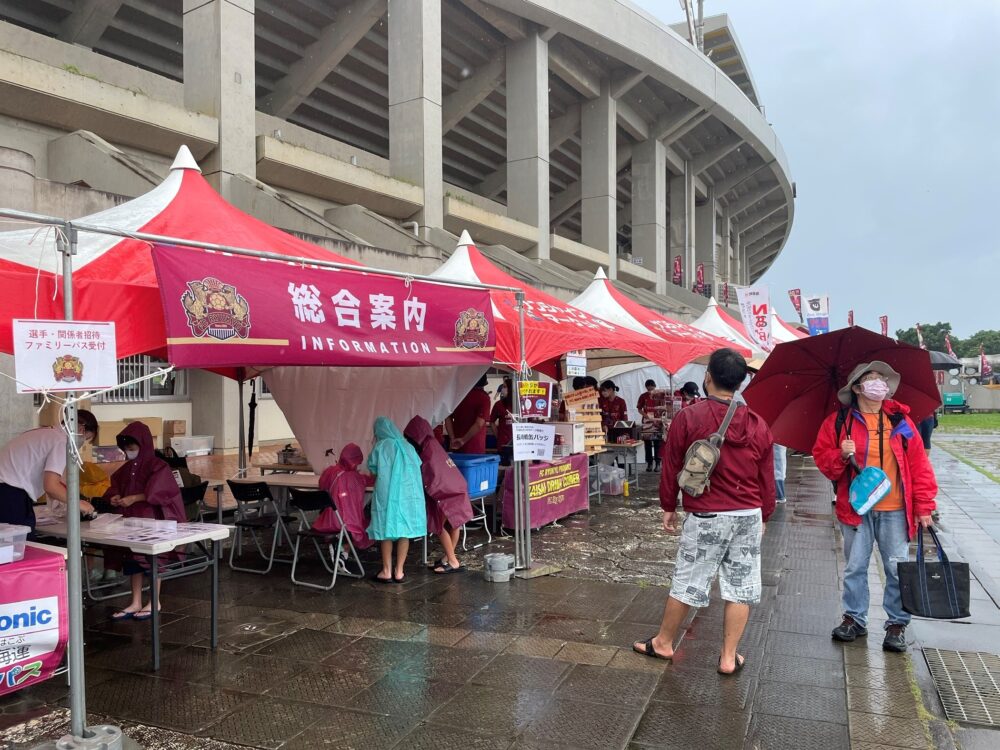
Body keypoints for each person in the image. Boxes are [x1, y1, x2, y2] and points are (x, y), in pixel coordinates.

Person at [633, 348, 775, 674]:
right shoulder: (757, 424)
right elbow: (765, 477)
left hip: (707, 514)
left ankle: (664, 642)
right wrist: (764, 514)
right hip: (748, 514)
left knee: (689, 580)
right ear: (739, 383)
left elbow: (671, 466)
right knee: (740, 586)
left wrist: (668, 505)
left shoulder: (689, 417)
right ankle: (728, 657)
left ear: (708, 376)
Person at [812, 361, 938, 653]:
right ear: (856, 388)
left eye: (882, 379)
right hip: (856, 508)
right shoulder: (838, 422)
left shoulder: (900, 422)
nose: (878, 384)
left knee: (896, 567)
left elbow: (919, 465)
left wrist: (924, 506)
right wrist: (840, 454)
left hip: (895, 509)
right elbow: (825, 465)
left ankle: (897, 623)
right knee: (855, 567)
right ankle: (854, 618)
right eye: (870, 379)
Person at [105, 422, 186, 621]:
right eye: (126, 449)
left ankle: (154, 600)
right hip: (131, 520)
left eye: (132, 448)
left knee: (152, 560)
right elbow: (114, 485)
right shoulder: (125, 469)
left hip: (152, 521)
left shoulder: (158, 465)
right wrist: (114, 496)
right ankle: (135, 601)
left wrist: (134, 498)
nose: (129, 452)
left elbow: (162, 492)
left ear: (143, 445)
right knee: (133, 560)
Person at [0, 410, 99, 530]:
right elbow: (51, 486)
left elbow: (53, 478)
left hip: (7, 490)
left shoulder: (45, 433)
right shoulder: (62, 441)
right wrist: (79, 504)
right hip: (10, 494)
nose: (82, 443)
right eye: (86, 438)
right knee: (21, 541)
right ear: (81, 429)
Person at [404, 415, 474, 574]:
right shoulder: (434, 444)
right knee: (455, 523)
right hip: (457, 487)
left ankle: (453, 561)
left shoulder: (425, 450)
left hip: (445, 492)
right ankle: (448, 557)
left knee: (438, 526)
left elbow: (430, 475)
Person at [367, 417, 427, 583]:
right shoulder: (408, 447)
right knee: (404, 533)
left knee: (386, 532)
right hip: (408, 497)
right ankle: (399, 571)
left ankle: (386, 571)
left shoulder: (380, 446)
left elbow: (373, 470)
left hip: (386, 495)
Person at [317, 443, 375, 554]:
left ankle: (338, 546)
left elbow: (322, 486)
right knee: (370, 530)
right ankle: (345, 547)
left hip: (327, 521)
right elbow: (371, 482)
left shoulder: (329, 472)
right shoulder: (355, 478)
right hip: (347, 522)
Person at [447, 374, 491, 454]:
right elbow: (479, 424)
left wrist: (452, 437)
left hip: (456, 445)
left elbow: (447, 418)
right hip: (475, 447)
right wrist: (463, 440)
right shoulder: (484, 398)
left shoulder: (457, 395)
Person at [637, 379, 664, 473]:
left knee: (658, 444)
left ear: (655, 387)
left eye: (652, 389)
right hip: (647, 422)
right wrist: (646, 416)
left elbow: (665, 408)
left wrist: (660, 418)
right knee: (647, 444)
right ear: (646, 388)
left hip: (657, 422)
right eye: (648, 389)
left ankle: (657, 463)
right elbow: (639, 409)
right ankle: (649, 463)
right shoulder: (643, 396)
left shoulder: (660, 395)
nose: (650, 391)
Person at [490, 379, 514, 465]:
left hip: (519, 446)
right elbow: (491, 421)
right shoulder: (498, 404)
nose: (502, 389)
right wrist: (498, 435)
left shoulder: (520, 404)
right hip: (503, 445)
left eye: (504, 387)